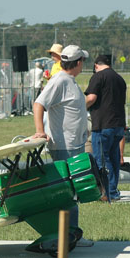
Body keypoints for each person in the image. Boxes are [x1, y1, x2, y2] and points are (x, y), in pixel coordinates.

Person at [33, 45, 93, 247]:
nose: (83, 64)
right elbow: (39, 104)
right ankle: (68, 234)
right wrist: (40, 130)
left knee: (73, 192)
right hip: (63, 146)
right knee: (68, 192)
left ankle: (72, 233)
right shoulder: (59, 81)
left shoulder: (70, 81)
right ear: (77, 63)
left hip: (74, 144)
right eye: (82, 61)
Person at [85, 55, 127, 201]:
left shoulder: (98, 77)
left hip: (103, 125)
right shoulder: (120, 78)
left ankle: (107, 192)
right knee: (114, 158)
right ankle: (113, 191)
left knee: (102, 159)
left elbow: (91, 98)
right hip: (118, 125)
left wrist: (78, 108)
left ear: (96, 65)